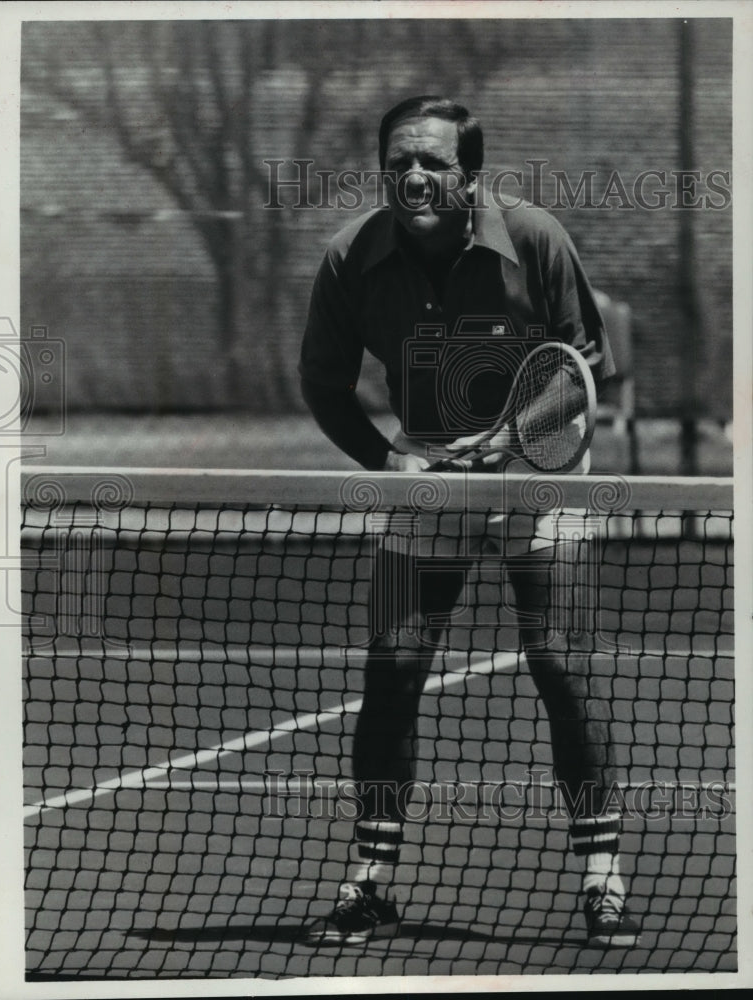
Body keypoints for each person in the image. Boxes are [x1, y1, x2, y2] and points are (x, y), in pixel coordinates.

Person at [298, 96, 640, 949]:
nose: (414, 176)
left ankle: (602, 876)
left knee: (560, 662)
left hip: (540, 459)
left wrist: (516, 436)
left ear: (470, 175)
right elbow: (325, 386)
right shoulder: (349, 257)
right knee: (393, 664)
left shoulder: (533, 237)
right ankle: (373, 880)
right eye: (399, 162)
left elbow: (584, 361)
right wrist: (389, 463)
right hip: (425, 462)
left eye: (434, 163)